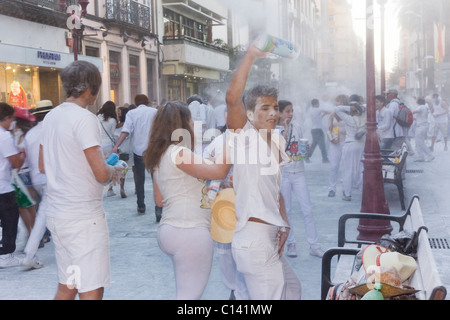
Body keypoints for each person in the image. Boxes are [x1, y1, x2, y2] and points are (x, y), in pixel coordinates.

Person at [40, 60, 123, 300]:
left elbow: (43, 164)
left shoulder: (52, 116)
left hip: (58, 213)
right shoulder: (85, 119)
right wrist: (112, 169)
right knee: (92, 287)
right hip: (83, 217)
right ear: (89, 89)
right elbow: (100, 174)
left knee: (68, 284)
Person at [225, 41, 302, 300]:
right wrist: (250, 56)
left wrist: (285, 223)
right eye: (265, 108)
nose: (273, 113)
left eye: (275, 107)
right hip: (254, 240)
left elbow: (275, 191)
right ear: (249, 114)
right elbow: (232, 98)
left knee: (292, 291)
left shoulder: (276, 140)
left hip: (269, 235)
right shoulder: (245, 137)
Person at [143, 101, 231, 300]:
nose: (194, 124)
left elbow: (159, 200)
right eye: (191, 120)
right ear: (183, 124)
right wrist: (233, 138)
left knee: (185, 294)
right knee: (188, 298)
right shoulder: (180, 153)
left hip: (169, 230)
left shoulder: (159, 156)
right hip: (189, 232)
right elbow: (219, 170)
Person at [277, 100, 324, 259]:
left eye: (291, 111)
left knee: (307, 210)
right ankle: (291, 243)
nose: (290, 114)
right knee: (287, 211)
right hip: (283, 174)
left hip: (299, 172)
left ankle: (314, 245)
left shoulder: (297, 127)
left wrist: (307, 149)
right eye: (287, 111)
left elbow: (301, 146)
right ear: (280, 113)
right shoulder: (274, 130)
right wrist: (282, 134)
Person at [112, 94, 160, 217]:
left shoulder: (131, 114)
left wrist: (116, 146)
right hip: (153, 150)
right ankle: (158, 207)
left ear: (136, 102)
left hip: (138, 151)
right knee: (156, 179)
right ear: (147, 101)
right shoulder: (154, 112)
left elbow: (125, 131)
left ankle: (141, 205)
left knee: (140, 180)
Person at [22, 100, 54, 269]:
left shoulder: (30, 134)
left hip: (36, 179)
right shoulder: (54, 131)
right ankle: (30, 254)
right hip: (53, 178)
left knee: (47, 213)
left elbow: (26, 162)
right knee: (43, 216)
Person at [0, 103, 25, 268]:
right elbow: (15, 163)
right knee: (9, 220)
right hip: (3, 185)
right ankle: (6, 255)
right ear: (7, 118)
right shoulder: (4, 136)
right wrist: (22, 154)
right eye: (12, 119)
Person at [11, 107, 37, 236]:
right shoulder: (28, 133)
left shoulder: (19, 136)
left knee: (24, 207)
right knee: (30, 206)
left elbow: (22, 156)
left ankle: (32, 233)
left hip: (22, 173)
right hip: (28, 172)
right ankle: (36, 234)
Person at [335, 100, 366, 202]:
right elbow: (368, 106)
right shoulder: (364, 118)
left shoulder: (349, 119)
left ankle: (347, 194)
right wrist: (359, 107)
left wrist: (349, 107)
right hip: (361, 145)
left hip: (350, 145)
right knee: (361, 169)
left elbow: (337, 109)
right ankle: (363, 191)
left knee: (348, 170)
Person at [327, 95, 348, 198]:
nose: (339, 103)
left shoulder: (349, 114)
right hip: (335, 143)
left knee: (345, 167)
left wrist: (344, 132)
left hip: (346, 142)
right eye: (338, 102)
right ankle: (332, 188)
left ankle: (345, 189)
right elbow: (329, 129)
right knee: (333, 166)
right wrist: (331, 139)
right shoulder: (333, 114)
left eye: (341, 102)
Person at [97, 101, 118, 197]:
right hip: (108, 145)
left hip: (99, 144)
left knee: (99, 166)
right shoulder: (112, 120)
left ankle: (98, 188)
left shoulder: (97, 117)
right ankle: (110, 189)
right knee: (110, 166)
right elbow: (113, 134)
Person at [114, 106, 133, 198]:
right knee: (134, 169)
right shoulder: (129, 125)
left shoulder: (117, 126)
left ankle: (122, 188)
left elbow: (115, 136)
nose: (118, 114)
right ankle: (137, 188)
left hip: (120, 150)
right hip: (130, 149)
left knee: (122, 170)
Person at [307, 98, 330, 163]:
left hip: (314, 130)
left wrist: (323, 115)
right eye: (318, 103)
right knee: (322, 145)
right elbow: (326, 111)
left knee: (314, 145)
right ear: (316, 103)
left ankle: (307, 157)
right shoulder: (317, 109)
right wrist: (334, 111)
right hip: (318, 130)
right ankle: (325, 159)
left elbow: (318, 118)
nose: (319, 104)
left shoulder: (312, 110)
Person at [413, 97, 434, 162]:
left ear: (418, 102)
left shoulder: (421, 107)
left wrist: (408, 113)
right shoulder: (424, 107)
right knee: (418, 142)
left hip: (421, 126)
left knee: (420, 142)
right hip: (422, 126)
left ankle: (430, 155)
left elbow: (414, 112)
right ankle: (421, 157)